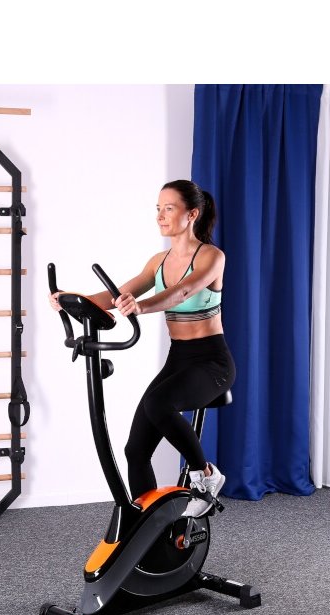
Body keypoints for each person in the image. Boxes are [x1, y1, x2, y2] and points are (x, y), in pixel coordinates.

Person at [49, 180, 235, 515]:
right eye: (158, 209)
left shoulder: (211, 256)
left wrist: (142, 306)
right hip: (178, 360)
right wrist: (69, 299)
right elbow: (116, 295)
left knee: (158, 403)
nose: (160, 216)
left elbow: (182, 292)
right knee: (135, 451)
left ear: (192, 214)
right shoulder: (157, 262)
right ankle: (151, 525)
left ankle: (205, 475)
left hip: (212, 363)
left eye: (169, 208)